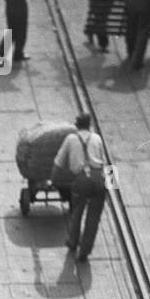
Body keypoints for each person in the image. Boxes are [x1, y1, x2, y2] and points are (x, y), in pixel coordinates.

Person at [51, 112, 110, 262]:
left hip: (82, 179)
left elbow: (58, 163)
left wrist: (54, 180)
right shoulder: (97, 138)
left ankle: (73, 241)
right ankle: (85, 249)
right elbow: (105, 161)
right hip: (99, 178)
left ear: (76, 125)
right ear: (89, 125)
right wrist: (111, 187)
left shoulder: (71, 139)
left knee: (77, 212)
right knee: (93, 217)